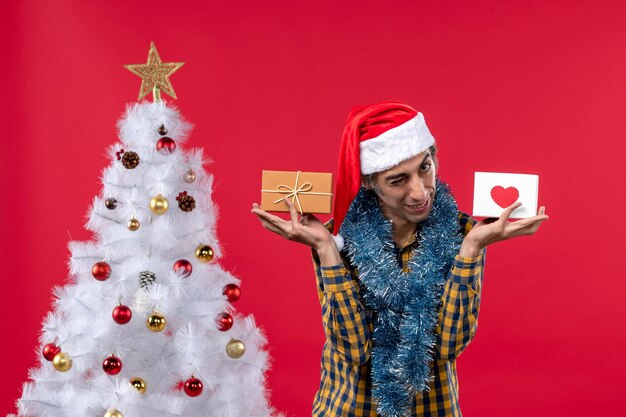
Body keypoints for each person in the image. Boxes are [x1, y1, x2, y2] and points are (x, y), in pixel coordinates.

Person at [252, 101, 548, 417]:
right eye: (398, 179)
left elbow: (449, 346)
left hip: (432, 408)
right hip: (349, 407)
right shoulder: (339, 239)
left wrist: (471, 248)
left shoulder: (460, 232)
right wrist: (326, 250)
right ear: (369, 183)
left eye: (425, 167)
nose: (420, 192)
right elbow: (353, 350)